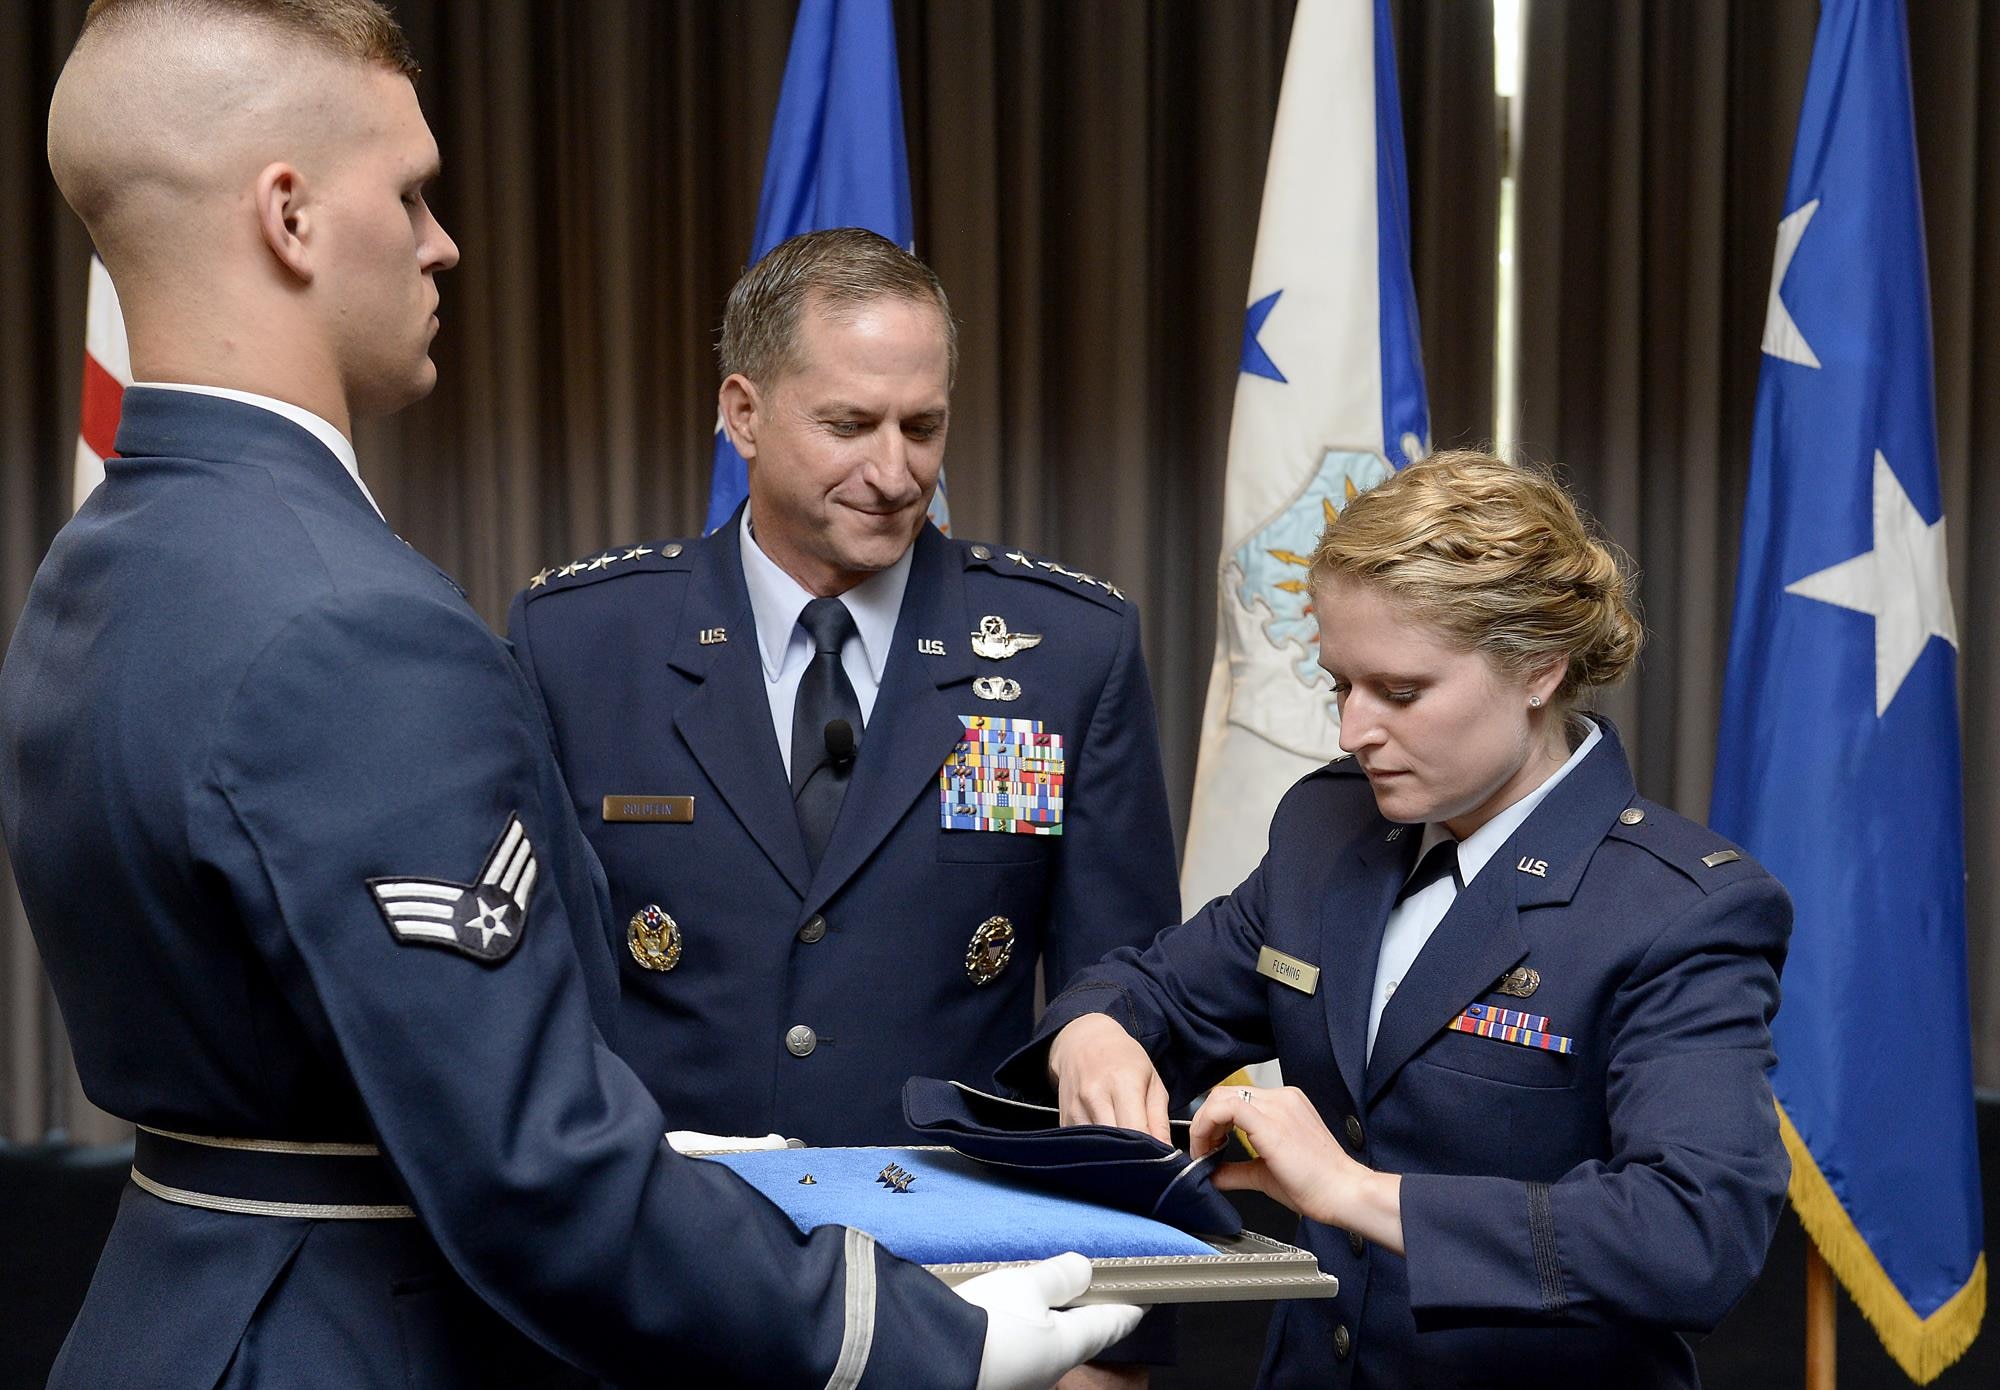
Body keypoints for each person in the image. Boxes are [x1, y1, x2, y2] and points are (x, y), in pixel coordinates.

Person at [0, 3, 1138, 1386]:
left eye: (923, 425)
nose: (443, 241)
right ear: (289, 215)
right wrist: (931, 1344)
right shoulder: (354, 622)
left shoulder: (112, 558)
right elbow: (526, 1160)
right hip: (352, 1331)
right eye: (411, 193)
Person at [998, 451, 1793, 1389]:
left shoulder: (1677, 909)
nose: (1351, 732)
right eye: (1341, 685)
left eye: (1401, 692)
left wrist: (1356, 1195)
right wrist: (1093, 1032)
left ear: (1539, 667)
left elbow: (1695, 1235)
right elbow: (1157, 987)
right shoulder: (1329, 829)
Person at [506, 228, 1179, 1150]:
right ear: (743, 415)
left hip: (955, 1239)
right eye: (850, 425)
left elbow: (1125, 978)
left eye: (923, 426)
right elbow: (528, 985)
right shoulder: (581, 643)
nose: (896, 473)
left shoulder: (1068, 649)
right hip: (669, 1233)